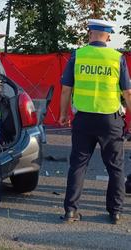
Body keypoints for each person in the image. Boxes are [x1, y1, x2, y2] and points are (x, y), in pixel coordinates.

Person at [59, 19, 131, 224]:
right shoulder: (117, 58)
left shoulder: (78, 55)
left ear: (90, 33)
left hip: (83, 119)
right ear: (108, 36)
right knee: (115, 167)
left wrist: (63, 114)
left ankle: (70, 211)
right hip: (111, 120)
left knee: (78, 165)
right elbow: (127, 92)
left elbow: (66, 89)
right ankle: (115, 212)